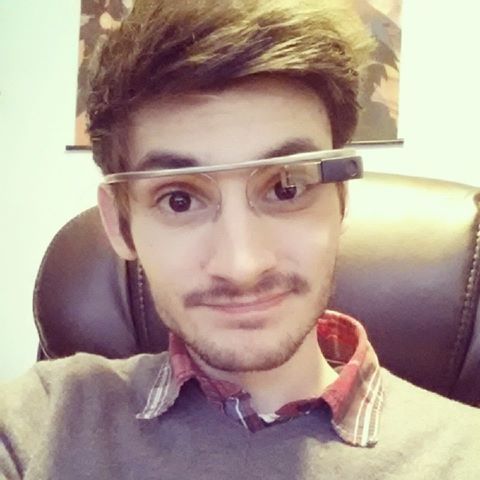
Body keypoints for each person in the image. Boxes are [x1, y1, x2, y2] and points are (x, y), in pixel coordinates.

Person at [1, 1, 479, 479]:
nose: (242, 265)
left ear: (341, 199)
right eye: (179, 200)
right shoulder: (40, 424)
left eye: (286, 188)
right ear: (119, 223)